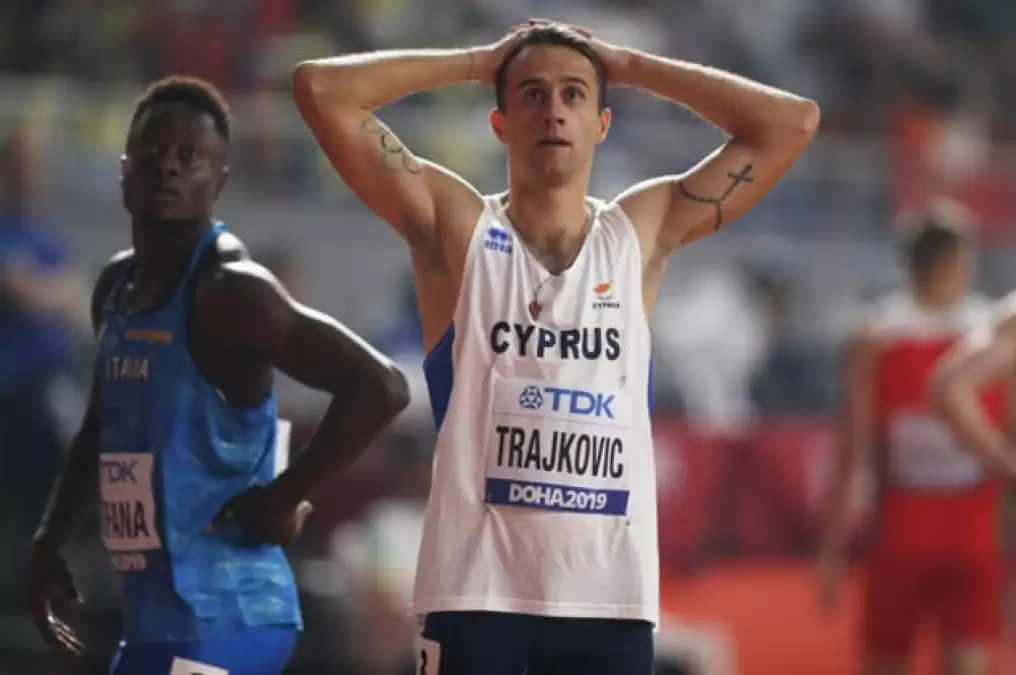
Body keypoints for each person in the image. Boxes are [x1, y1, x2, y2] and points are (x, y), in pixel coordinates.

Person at [294, 18, 818, 675]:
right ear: (500, 122)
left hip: (609, 601)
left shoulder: (639, 232)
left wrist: (630, 65)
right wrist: (476, 60)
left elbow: (792, 123)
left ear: (602, 124)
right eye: (532, 94)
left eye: (574, 94)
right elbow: (319, 89)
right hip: (475, 592)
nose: (554, 110)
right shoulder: (457, 227)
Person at [26, 76, 410, 675]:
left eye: (190, 156)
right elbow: (100, 427)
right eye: (154, 152)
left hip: (230, 614)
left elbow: (381, 386)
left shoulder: (232, 292)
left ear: (219, 181)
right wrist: (49, 542)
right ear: (125, 172)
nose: (168, 167)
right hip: (154, 617)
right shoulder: (118, 289)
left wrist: (283, 495)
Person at [820, 200, 1009, 675]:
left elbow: (854, 450)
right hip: (953, 526)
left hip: (923, 526)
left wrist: (833, 548)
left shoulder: (876, 336)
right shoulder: (989, 333)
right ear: (961, 259)